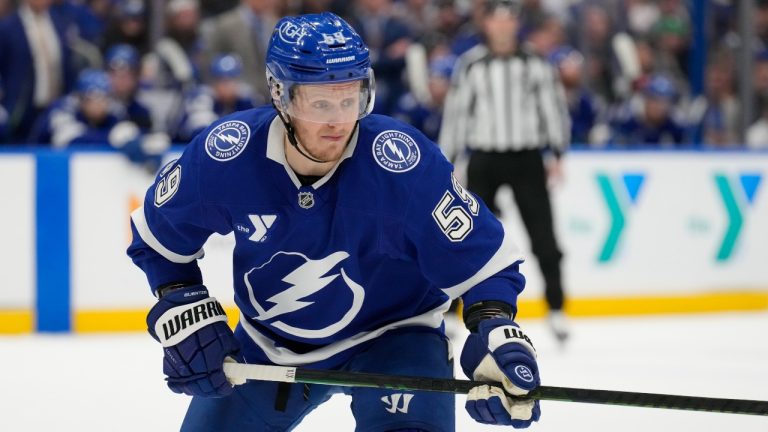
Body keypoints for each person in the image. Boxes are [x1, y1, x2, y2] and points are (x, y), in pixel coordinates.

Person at [127, 12, 541, 431]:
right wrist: (181, 302)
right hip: (270, 345)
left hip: (397, 339)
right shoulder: (227, 154)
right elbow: (158, 240)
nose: (339, 121)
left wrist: (495, 329)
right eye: (321, 103)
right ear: (280, 95)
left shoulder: (402, 163)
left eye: (349, 100)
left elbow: (485, 265)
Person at [439, 0, 571, 342]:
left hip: (527, 158)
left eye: (507, 20)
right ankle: (454, 311)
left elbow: (552, 108)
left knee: (543, 236)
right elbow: (457, 113)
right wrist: (447, 160)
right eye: (495, 20)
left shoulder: (535, 64)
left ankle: (556, 308)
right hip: (484, 157)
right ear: (486, 25)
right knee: (465, 235)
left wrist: (557, 152)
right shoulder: (471, 65)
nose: (501, 26)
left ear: (515, 24)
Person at [172, 53, 259, 143]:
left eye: (231, 80)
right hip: (182, 148)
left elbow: (257, 128)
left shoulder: (246, 98)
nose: (226, 86)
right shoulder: (202, 98)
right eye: (222, 80)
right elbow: (203, 134)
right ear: (214, 81)